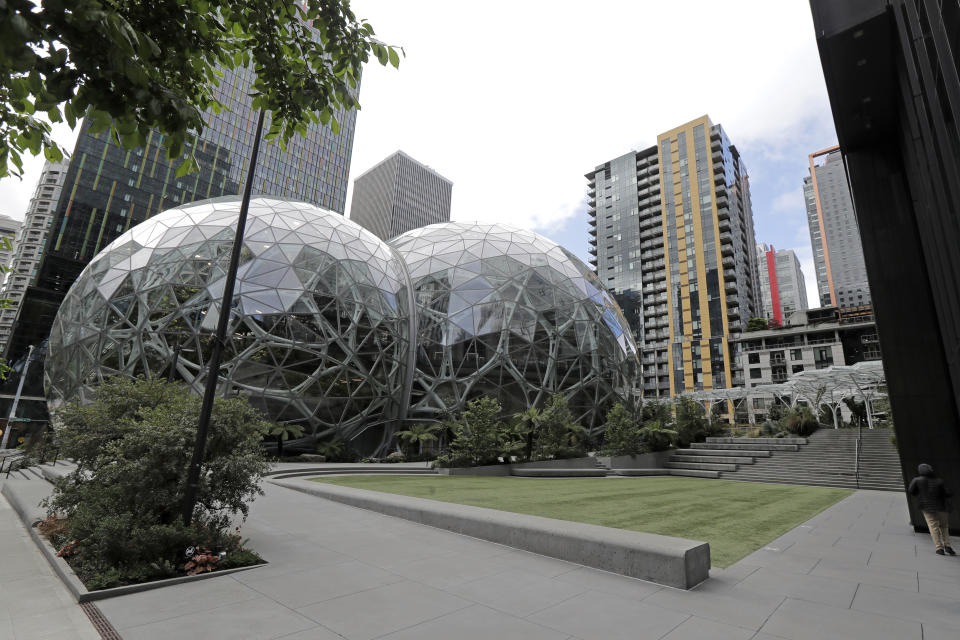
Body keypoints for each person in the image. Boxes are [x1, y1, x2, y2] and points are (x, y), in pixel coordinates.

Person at [908, 463, 954, 555]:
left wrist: (920, 495)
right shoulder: (939, 481)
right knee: (944, 526)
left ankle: (939, 548)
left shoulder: (916, 480)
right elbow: (947, 493)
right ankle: (948, 546)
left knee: (933, 527)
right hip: (941, 507)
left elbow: (911, 490)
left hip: (927, 507)